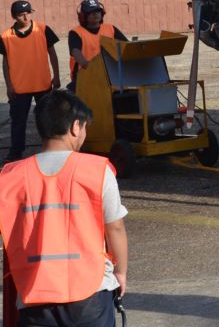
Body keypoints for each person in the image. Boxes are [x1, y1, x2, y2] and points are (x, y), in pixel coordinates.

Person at [0, 90, 127, 326]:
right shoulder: (97, 170)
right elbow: (116, 228)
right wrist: (121, 273)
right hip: (90, 294)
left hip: (34, 296)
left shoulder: (10, 177)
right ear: (75, 127)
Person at [1, 0, 61, 163]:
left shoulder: (42, 29)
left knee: (47, 119)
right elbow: (5, 64)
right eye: (21, 14)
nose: (26, 16)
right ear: (14, 16)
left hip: (43, 84)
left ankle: (51, 150)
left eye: (28, 13)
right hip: (19, 88)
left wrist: (56, 76)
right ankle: (15, 153)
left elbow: (52, 54)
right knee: (18, 122)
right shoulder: (6, 36)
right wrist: (9, 86)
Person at [68, 0, 126, 91]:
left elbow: (125, 46)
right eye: (91, 12)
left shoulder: (110, 28)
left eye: (98, 11)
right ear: (83, 16)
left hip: (110, 76)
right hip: (85, 77)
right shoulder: (75, 33)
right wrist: (93, 68)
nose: (96, 14)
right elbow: (76, 52)